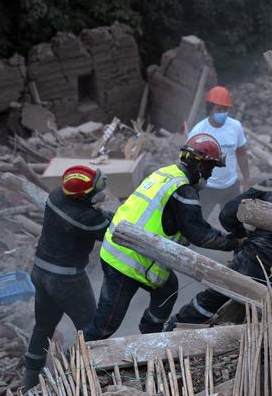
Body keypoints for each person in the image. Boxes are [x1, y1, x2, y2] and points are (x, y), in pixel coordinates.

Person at [84, 134, 241, 340]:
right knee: (106, 324)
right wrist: (235, 242)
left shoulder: (166, 174)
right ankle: (76, 358)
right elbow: (199, 234)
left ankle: (151, 333)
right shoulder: (183, 190)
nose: (210, 175)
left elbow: (189, 225)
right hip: (125, 261)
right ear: (199, 165)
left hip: (124, 248)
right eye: (210, 168)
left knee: (167, 289)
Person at [168, 140, 272, 327]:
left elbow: (227, 214)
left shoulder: (266, 187)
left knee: (213, 295)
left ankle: (176, 326)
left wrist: (242, 235)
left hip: (251, 261)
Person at [21, 165, 111, 390]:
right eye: (95, 188)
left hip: (40, 272)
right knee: (91, 327)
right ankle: (86, 372)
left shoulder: (56, 195)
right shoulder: (86, 218)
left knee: (43, 326)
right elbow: (112, 230)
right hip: (66, 280)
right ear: (82, 196)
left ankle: (29, 379)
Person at [188, 85, 251, 220]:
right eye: (219, 109)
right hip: (207, 187)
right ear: (210, 109)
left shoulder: (235, 127)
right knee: (199, 221)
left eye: (225, 109)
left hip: (230, 186)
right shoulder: (199, 131)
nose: (223, 112)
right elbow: (188, 161)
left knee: (233, 221)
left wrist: (247, 178)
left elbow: (241, 153)